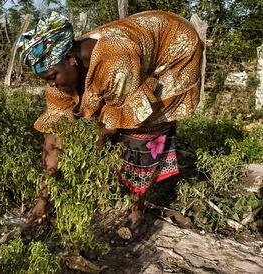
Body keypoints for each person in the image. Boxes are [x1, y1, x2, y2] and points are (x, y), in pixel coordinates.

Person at [18, 10, 203, 238]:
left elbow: (114, 124)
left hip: (174, 47)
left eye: (52, 76)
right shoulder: (58, 77)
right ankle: (112, 183)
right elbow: (53, 137)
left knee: (142, 130)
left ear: (70, 59)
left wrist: (88, 149)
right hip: (132, 53)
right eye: (46, 80)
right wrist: (43, 198)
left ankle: (137, 212)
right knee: (102, 123)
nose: (51, 85)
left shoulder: (115, 60)